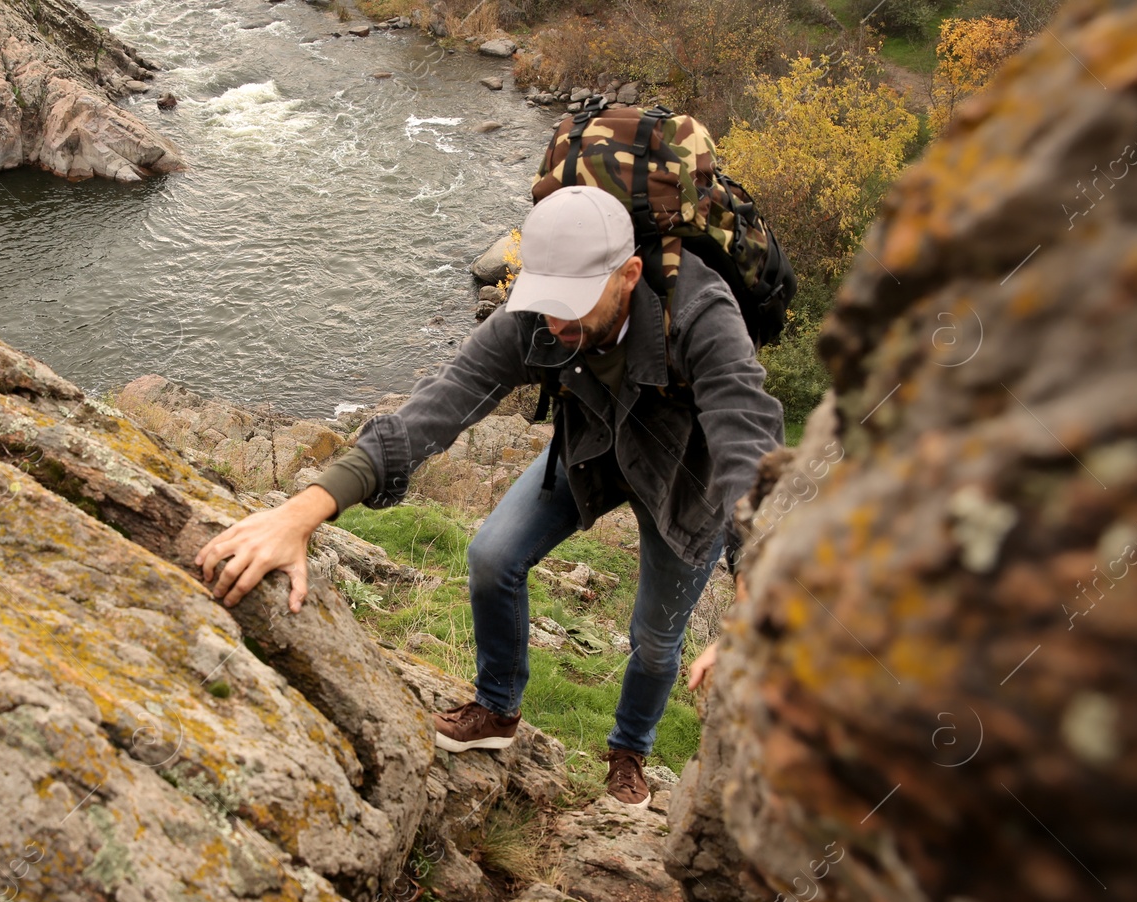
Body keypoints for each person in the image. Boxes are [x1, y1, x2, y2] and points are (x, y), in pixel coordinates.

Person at [195, 185, 783, 809]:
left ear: (629, 274)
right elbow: (435, 409)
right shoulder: (537, 318)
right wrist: (301, 512)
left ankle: (630, 749)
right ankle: (497, 710)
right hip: (586, 455)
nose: (556, 325)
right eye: (546, 302)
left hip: (685, 487)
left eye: (573, 305)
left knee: (656, 640)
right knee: (493, 556)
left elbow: (750, 446)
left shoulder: (700, 316)